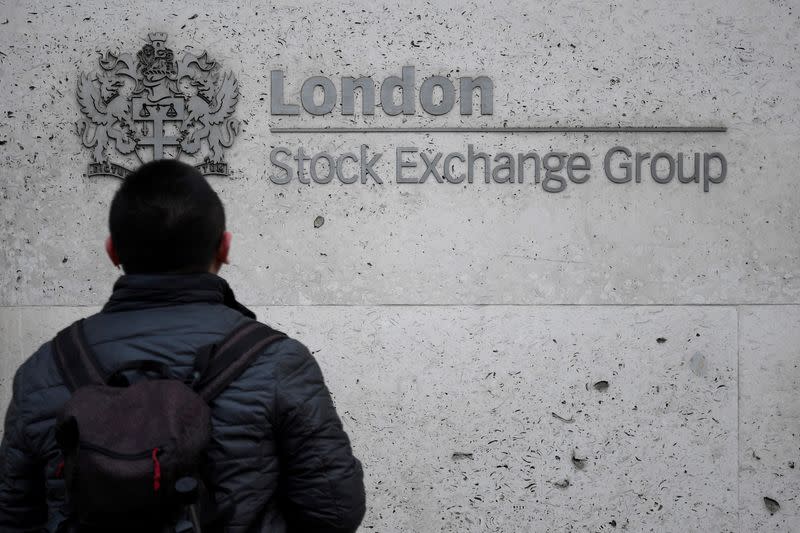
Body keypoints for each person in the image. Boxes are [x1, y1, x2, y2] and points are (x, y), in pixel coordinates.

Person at [0, 159, 366, 532]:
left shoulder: (43, 370)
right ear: (224, 248)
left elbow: (14, 519)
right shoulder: (278, 362)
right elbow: (336, 512)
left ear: (113, 252)